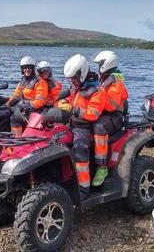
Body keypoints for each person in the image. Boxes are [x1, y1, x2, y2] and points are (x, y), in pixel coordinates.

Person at [58, 54, 106, 200]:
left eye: (74, 77)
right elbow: (70, 98)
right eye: (70, 78)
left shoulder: (97, 91)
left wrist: (72, 109)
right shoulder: (77, 86)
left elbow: (93, 114)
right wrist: (63, 102)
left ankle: (83, 188)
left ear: (82, 73)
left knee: (79, 148)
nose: (72, 81)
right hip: (71, 123)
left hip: (85, 128)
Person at [90, 50, 128, 186]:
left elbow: (111, 105)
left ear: (106, 64)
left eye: (99, 64)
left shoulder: (116, 81)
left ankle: (101, 166)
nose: (97, 67)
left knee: (99, 127)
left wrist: (95, 96)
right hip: (103, 113)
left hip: (114, 116)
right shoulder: (104, 78)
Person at [7, 56, 48, 136]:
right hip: (24, 110)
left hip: (36, 112)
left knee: (14, 118)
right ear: (22, 69)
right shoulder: (22, 81)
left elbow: (40, 101)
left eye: (29, 67)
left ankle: (17, 139)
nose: (27, 70)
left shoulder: (40, 82)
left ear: (33, 68)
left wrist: (27, 106)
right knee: (4, 113)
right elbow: (16, 95)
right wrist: (7, 104)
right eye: (24, 67)